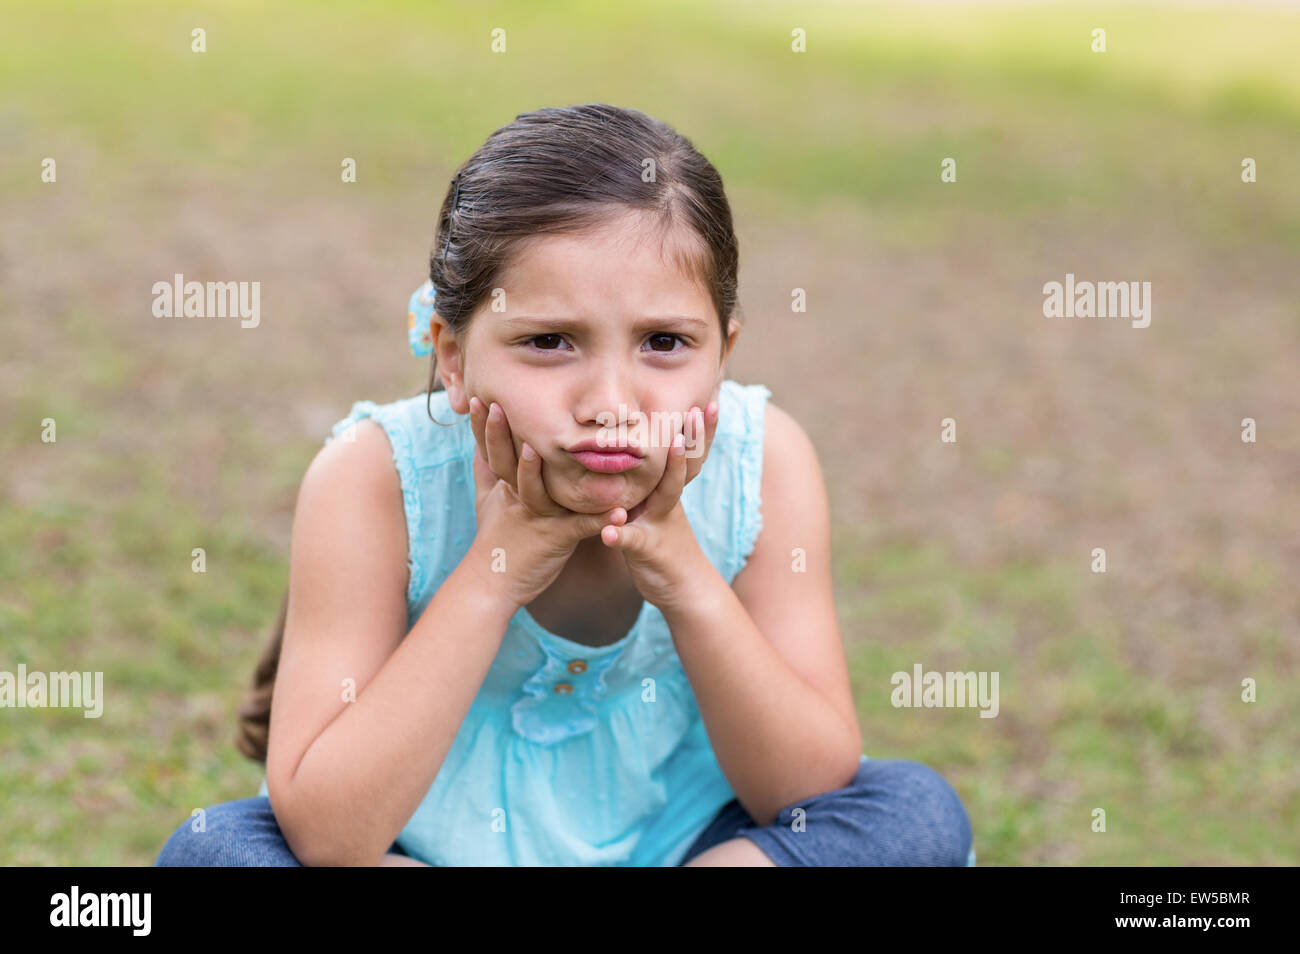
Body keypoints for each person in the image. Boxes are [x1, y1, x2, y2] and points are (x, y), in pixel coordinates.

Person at [155, 103, 974, 867]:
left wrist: (684, 576)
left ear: (723, 350)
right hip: (423, 844)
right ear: (451, 352)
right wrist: (497, 569)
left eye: (663, 342)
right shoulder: (372, 478)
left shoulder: (767, 463)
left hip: (686, 839)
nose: (609, 404)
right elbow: (330, 836)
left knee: (914, 812)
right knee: (216, 854)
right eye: (549, 342)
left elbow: (802, 793)